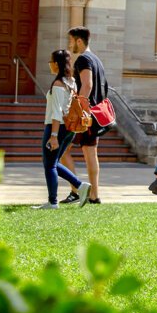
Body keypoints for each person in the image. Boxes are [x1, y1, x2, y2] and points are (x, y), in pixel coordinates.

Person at [64, 25, 109, 205]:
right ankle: (92, 194)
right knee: (89, 152)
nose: (70, 45)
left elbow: (87, 85)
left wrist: (78, 108)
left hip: (85, 115)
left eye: (71, 41)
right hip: (94, 114)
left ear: (79, 41)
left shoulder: (83, 59)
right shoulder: (97, 60)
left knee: (63, 150)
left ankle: (78, 190)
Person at [37, 49, 82, 208]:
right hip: (69, 129)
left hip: (56, 127)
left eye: (51, 61)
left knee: (49, 165)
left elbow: (56, 112)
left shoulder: (58, 84)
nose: (50, 64)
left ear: (56, 63)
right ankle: (81, 186)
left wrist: (53, 135)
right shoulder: (72, 81)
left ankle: (52, 201)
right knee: (54, 162)